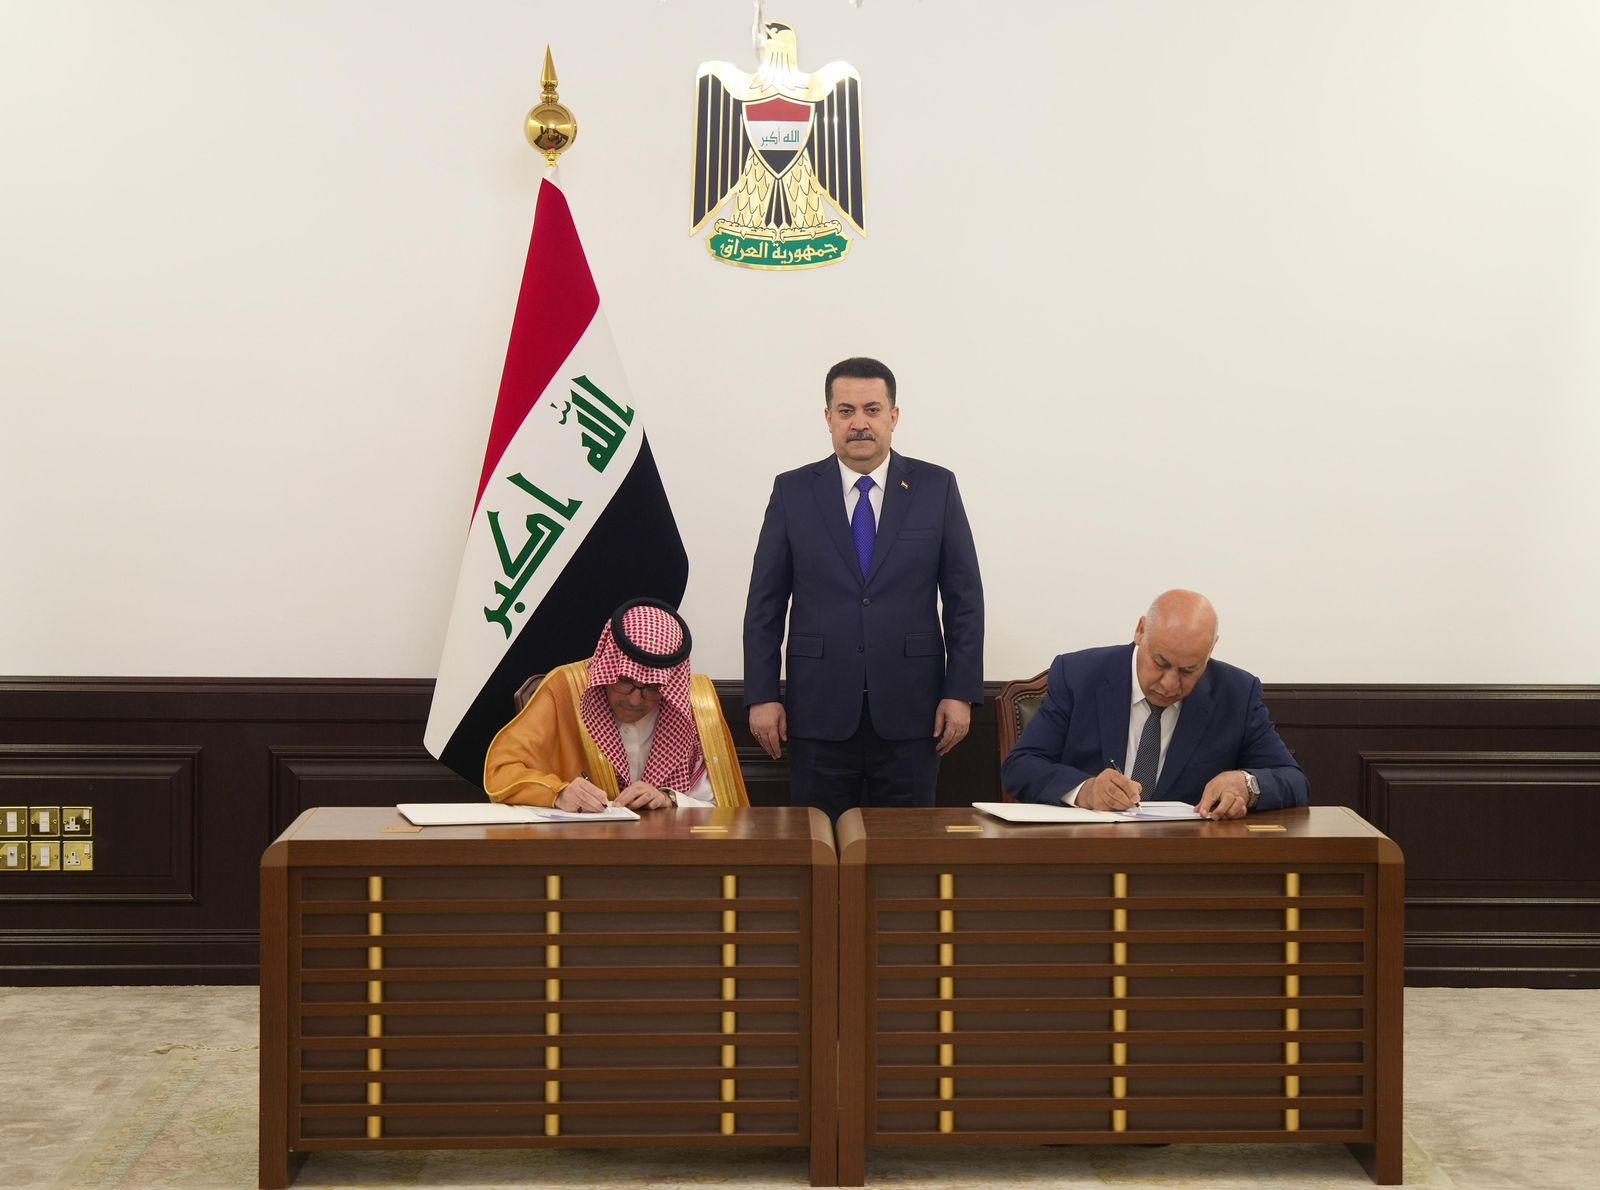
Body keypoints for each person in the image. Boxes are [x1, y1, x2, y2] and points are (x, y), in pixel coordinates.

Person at [743, 356, 984, 817]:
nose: (859, 423)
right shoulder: (793, 491)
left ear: (894, 417)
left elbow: (965, 601)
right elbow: (765, 605)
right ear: (828, 418)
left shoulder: (936, 487)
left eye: (872, 410)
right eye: (846, 411)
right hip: (816, 711)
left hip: (913, 711)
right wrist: (762, 695)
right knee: (818, 845)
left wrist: (960, 692)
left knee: (905, 849)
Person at [1001, 590, 1308, 819]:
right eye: (1161, 663)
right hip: (1087, 854)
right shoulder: (1079, 676)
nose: (1170, 684)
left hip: (1186, 862)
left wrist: (1247, 785)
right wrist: (1085, 790)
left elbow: (1294, 781)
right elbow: (1020, 767)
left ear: (1211, 651)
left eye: (1189, 671)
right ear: (1140, 631)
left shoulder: (1236, 694)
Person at [484, 599, 747, 810]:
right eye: (625, 682)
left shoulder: (694, 705)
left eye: (652, 688)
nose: (634, 699)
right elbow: (501, 770)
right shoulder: (565, 690)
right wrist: (559, 793)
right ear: (608, 667)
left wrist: (670, 799)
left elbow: (723, 807)